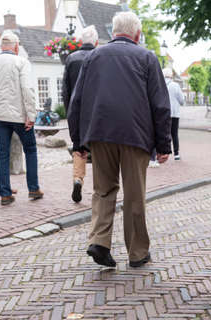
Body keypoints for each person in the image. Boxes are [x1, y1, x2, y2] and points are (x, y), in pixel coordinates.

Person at [68, 11, 171, 268]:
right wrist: (163, 144)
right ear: (137, 34)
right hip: (135, 135)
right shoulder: (147, 57)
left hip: (100, 135)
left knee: (103, 190)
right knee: (134, 195)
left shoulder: (93, 57)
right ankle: (137, 253)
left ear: (112, 33)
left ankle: (99, 242)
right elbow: (160, 104)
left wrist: (78, 142)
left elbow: (76, 102)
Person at [0, 31, 43, 206]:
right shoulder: (21, 62)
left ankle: (5, 193)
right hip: (20, 116)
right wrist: (31, 115)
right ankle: (33, 188)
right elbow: (27, 89)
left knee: (2, 153)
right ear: (16, 46)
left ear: (1, 46)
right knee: (30, 150)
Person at [62, 25, 99, 203]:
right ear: (97, 42)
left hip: (76, 111)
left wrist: (69, 111)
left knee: (79, 148)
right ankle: (100, 188)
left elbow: (66, 90)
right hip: (95, 112)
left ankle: (78, 179)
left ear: (80, 41)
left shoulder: (71, 59)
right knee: (99, 150)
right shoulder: (100, 57)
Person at [163, 68, 184, 160]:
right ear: (171, 75)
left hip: (163, 113)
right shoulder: (175, 85)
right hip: (174, 113)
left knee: (163, 133)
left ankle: (163, 152)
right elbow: (182, 100)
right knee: (174, 133)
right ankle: (176, 154)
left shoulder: (160, 84)